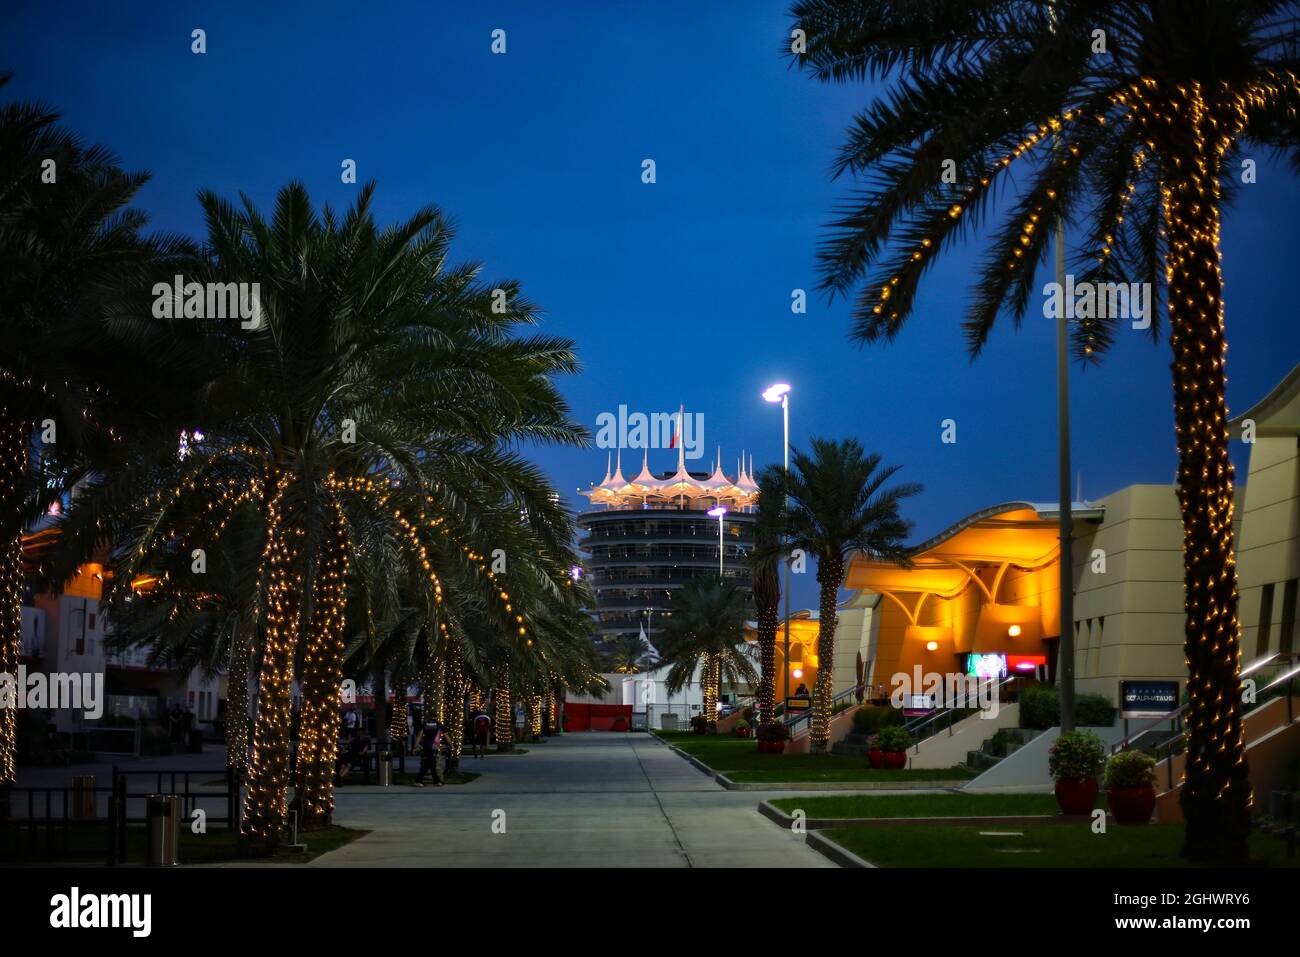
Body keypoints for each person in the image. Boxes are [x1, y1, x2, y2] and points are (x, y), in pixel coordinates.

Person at [413, 720, 444, 787]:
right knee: (427, 764)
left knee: (432, 764)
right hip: (433, 746)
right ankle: (418, 781)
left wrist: (415, 746)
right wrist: (451, 745)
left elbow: (419, 736)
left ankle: (436, 781)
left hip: (426, 746)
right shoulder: (439, 725)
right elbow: (446, 735)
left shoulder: (425, 724)